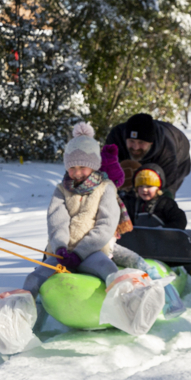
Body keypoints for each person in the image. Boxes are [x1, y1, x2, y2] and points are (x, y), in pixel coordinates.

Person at [22, 123, 121, 296]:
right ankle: (23, 307)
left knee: (111, 271)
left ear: (94, 165)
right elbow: (57, 221)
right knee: (34, 278)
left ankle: (125, 303)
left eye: (83, 167)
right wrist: (60, 248)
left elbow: (106, 225)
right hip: (63, 254)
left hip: (92, 252)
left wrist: (80, 253)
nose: (77, 173)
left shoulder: (106, 188)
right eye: (72, 168)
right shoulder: (62, 189)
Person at [104, 112, 191, 195]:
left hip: (180, 160)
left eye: (141, 142)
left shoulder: (166, 151)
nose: (135, 147)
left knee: (154, 195)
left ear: (151, 143)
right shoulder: (115, 139)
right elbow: (106, 170)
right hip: (133, 161)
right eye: (131, 141)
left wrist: (164, 200)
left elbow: (168, 189)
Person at [122, 163, 188, 230]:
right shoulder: (131, 203)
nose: (144, 189)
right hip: (137, 236)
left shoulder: (166, 204)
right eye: (140, 186)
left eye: (149, 186)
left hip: (161, 236)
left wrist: (164, 230)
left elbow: (180, 220)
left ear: (158, 188)